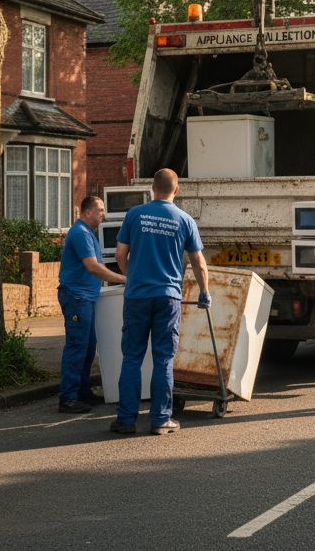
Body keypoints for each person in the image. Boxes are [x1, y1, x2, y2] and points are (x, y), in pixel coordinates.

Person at [111, 169, 210, 435]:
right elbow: (198, 262)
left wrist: (131, 275)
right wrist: (204, 291)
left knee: (132, 357)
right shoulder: (185, 220)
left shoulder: (134, 214)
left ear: (152, 188)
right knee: (164, 359)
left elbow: (121, 254)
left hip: (136, 297)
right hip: (168, 298)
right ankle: (160, 420)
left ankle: (126, 420)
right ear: (176, 191)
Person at [57, 195, 126, 414]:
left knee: (88, 347)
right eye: (100, 210)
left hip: (86, 297)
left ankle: (82, 391)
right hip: (77, 297)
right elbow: (94, 268)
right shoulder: (80, 233)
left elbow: (97, 267)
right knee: (77, 346)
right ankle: (67, 398)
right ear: (87, 212)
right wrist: (126, 279)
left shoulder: (88, 233)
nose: (103, 214)